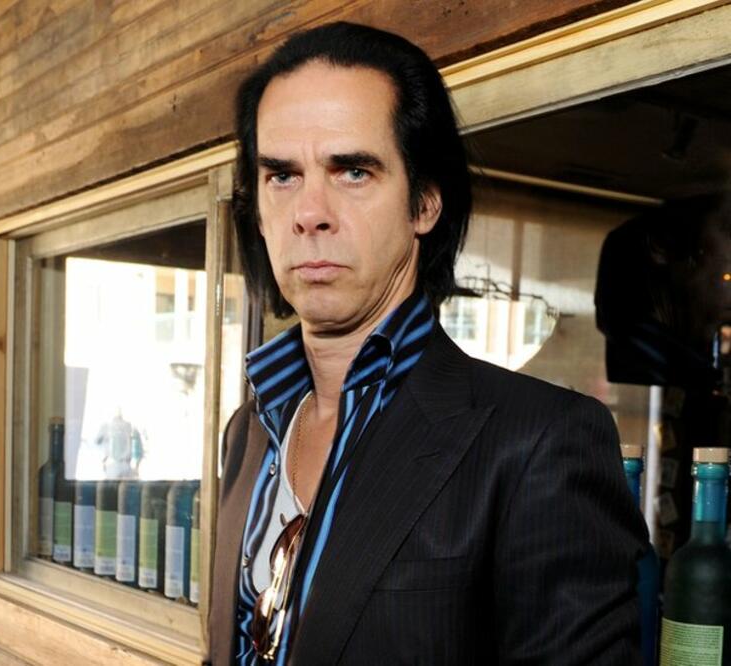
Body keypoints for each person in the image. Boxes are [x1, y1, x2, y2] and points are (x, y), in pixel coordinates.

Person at [206, 22, 649, 665]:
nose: (309, 212)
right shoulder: (249, 430)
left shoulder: (539, 442)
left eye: (352, 171)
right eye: (282, 175)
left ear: (425, 203)